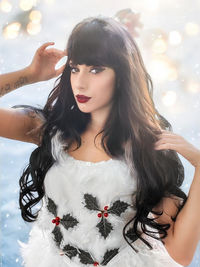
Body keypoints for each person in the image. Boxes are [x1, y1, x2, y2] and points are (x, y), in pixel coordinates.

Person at [0, 16, 200, 267]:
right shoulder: (48, 130)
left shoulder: (144, 150)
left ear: (123, 73)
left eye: (95, 70)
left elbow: (180, 254)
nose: (80, 82)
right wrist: (29, 75)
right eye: (75, 68)